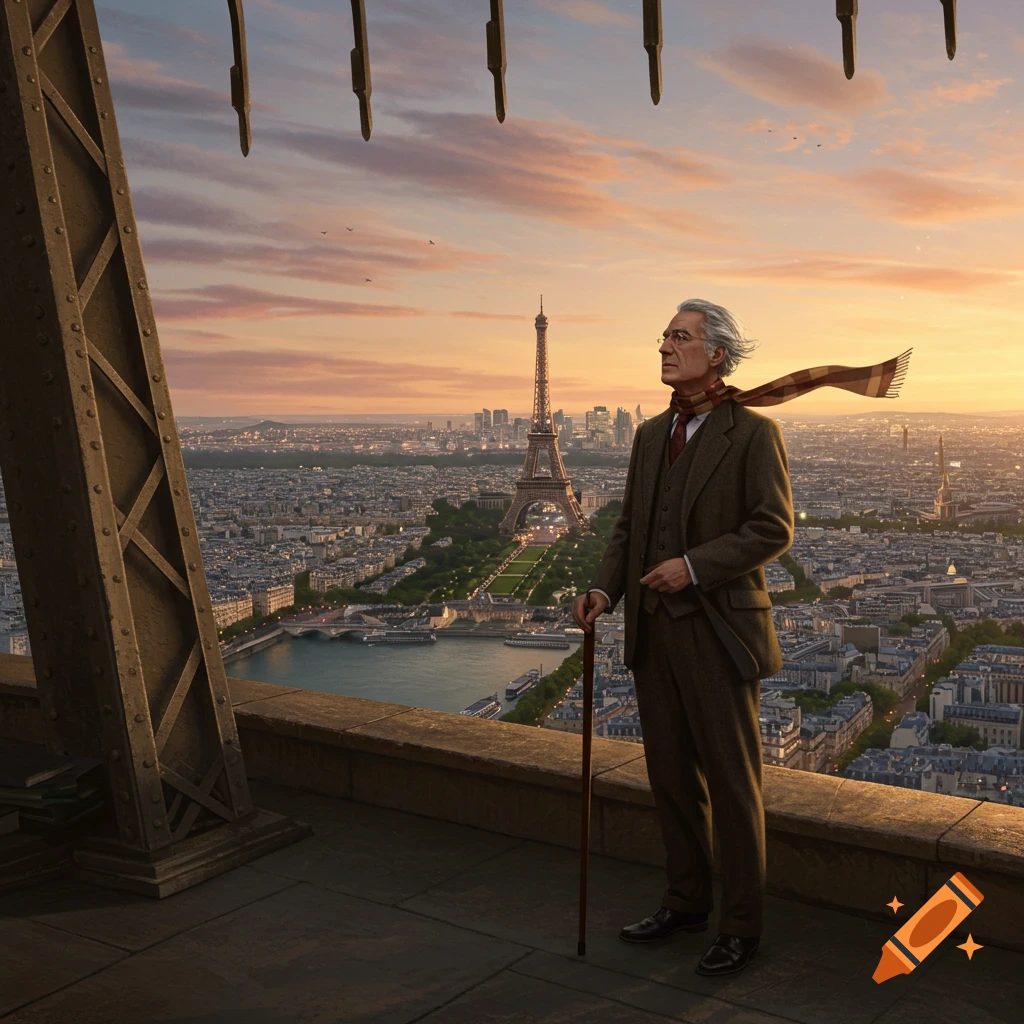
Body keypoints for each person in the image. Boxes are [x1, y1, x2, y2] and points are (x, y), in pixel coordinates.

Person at [572, 298, 911, 977]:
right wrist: (606, 591)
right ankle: (685, 902)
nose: (664, 347)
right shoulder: (649, 436)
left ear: (717, 353)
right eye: (664, 336)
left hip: (719, 633)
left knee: (732, 786)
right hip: (652, 635)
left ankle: (740, 926)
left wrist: (694, 566)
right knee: (670, 779)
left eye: (680, 337)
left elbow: (773, 528)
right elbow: (628, 530)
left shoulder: (754, 433)